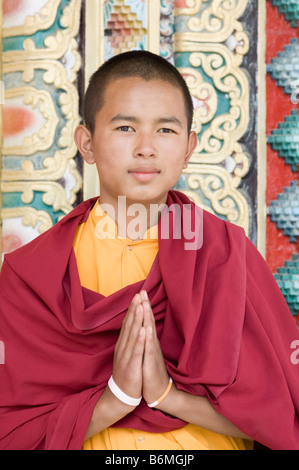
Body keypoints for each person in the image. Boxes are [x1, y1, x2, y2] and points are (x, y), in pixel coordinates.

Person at [0, 51, 298, 451]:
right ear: (86, 143)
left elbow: (280, 419)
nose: (145, 148)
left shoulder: (226, 255)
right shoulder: (32, 274)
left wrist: (166, 396)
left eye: (166, 131)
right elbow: (12, 428)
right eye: (125, 127)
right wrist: (115, 399)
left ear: (189, 146)